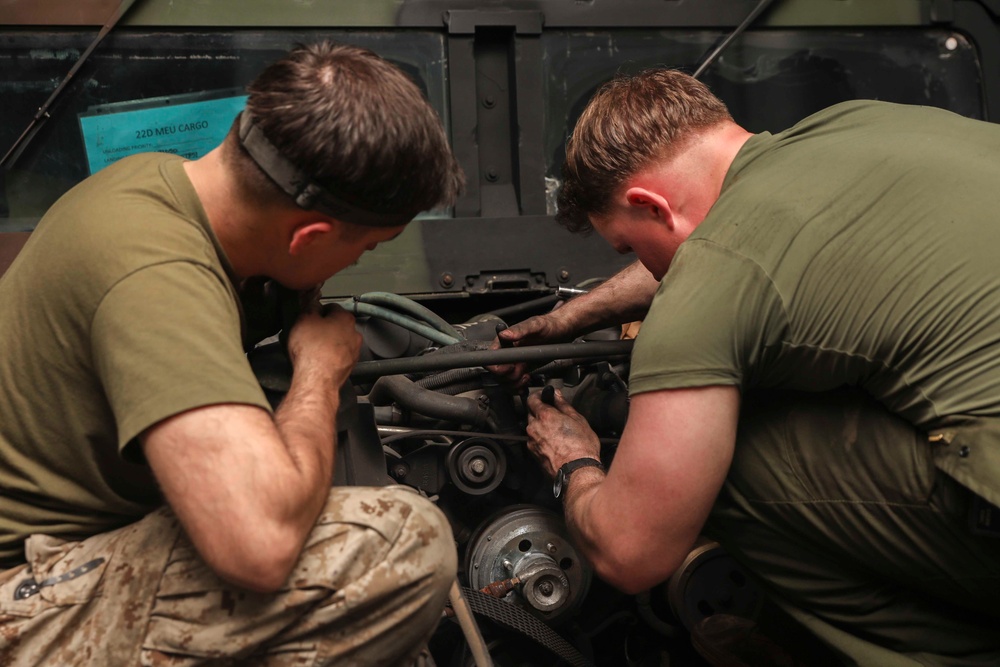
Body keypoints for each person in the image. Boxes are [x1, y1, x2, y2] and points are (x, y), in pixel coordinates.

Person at [495, 68, 1000, 666]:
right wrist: (569, 318)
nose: (648, 268)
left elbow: (632, 552)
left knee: (714, 465)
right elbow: (726, 235)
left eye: (629, 248)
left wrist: (571, 459)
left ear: (650, 205)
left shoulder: (713, 277)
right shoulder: (855, 124)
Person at [0, 42, 464, 665]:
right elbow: (258, 545)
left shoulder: (158, 184)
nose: (359, 263)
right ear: (309, 236)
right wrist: (319, 374)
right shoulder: (156, 272)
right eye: (369, 247)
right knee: (402, 542)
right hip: (22, 593)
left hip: (81, 542)